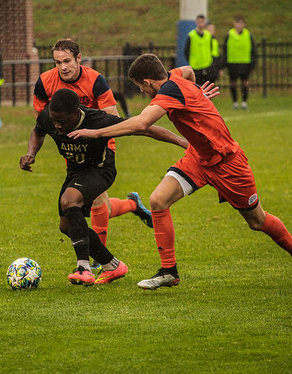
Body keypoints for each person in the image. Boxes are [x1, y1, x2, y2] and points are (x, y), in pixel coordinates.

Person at [68, 53, 292, 290]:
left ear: (147, 81)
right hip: (198, 157)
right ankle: (169, 272)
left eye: (141, 87)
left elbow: (142, 123)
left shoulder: (168, 91)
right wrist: (198, 94)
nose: (142, 92)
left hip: (228, 163)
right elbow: (188, 71)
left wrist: (96, 132)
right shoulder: (174, 76)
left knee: (257, 221)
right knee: (158, 200)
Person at [20, 88, 188, 285]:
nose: (57, 126)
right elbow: (38, 131)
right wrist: (31, 153)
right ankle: (112, 265)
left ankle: (83, 268)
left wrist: (183, 142)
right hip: (75, 171)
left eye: (63, 122)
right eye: (55, 120)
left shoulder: (98, 119)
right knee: (67, 227)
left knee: (69, 200)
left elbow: (143, 128)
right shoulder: (49, 116)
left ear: (77, 111)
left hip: (100, 170)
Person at [32, 38, 152, 256]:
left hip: (101, 144)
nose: (63, 67)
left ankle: (99, 258)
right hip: (72, 149)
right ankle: (132, 205)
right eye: (57, 62)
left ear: (79, 59)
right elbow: (41, 119)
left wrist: (88, 126)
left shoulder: (95, 80)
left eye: (67, 61)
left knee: (94, 199)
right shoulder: (44, 82)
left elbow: (114, 118)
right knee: (97, 205)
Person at [223, 16, 257, 110]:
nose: (239, 25)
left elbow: (253, 50)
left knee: (245, 83)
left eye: (241, 23)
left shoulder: (248, 35)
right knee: (233, 83)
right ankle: (234, 102)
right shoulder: (229, 35)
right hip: (232, 63)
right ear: (234, 24)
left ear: (244, 24)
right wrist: (224, 63)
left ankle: (244, 102)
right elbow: (225, 50)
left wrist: (253, 63)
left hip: (245, 63)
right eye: (238, 23)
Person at [184, 14, 220, 86]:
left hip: (207, 64)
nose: (200, 24)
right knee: (197, 85)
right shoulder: (191, 35)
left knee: (206, 85)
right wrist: (191, 60)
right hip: (195, 65)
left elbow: (211, 49)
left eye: (202, 22)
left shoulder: (208, 35)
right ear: (196, 22)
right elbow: (186, 51)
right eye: (199, 21)